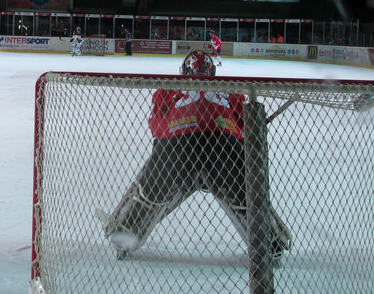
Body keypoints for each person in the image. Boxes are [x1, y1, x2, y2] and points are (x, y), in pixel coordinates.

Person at [103, 50, 291, 260]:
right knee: (247, 196)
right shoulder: (232, 90)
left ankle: (126, 234)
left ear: (184, 70)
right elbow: (245, 131)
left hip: (177, 148)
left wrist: (165, 145)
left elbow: (155, 126)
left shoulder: (167, 88)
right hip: (223, 146)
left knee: (152, 193)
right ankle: (270, 242)